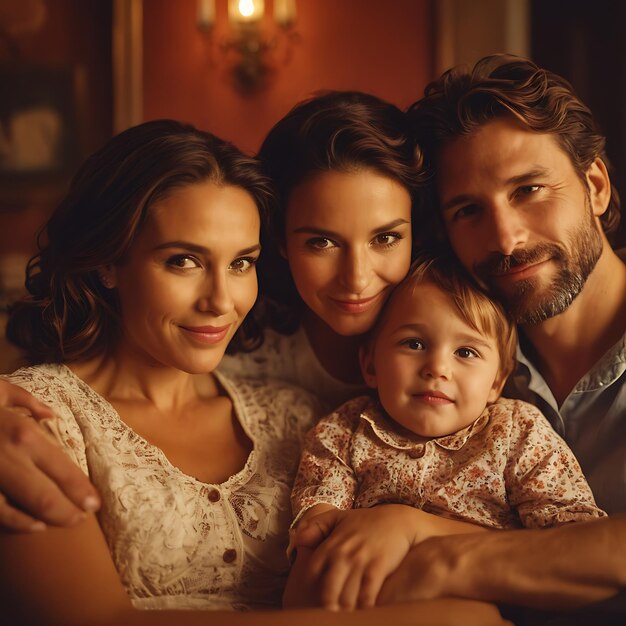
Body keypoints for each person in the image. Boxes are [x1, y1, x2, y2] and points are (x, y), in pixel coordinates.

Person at [0, 118, 506, 625]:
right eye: (183, 261)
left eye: (242, 263)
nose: (221, 301)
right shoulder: (31, 421)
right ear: (107, 263)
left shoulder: (296, 416)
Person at [302, 54, 626, 614]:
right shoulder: (449, 352)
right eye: (468, 209)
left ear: (595, 185)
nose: (505, 238)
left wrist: (427, 542)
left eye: (528, 190)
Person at [285, 254, 605, 610]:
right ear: (370, 363)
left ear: (497, 381)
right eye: (414, 344)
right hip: (370, 605)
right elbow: (317, 530)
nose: (437, 368)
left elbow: (572, 539)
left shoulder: (518, 431)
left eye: (465, 352)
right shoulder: (343, 431)